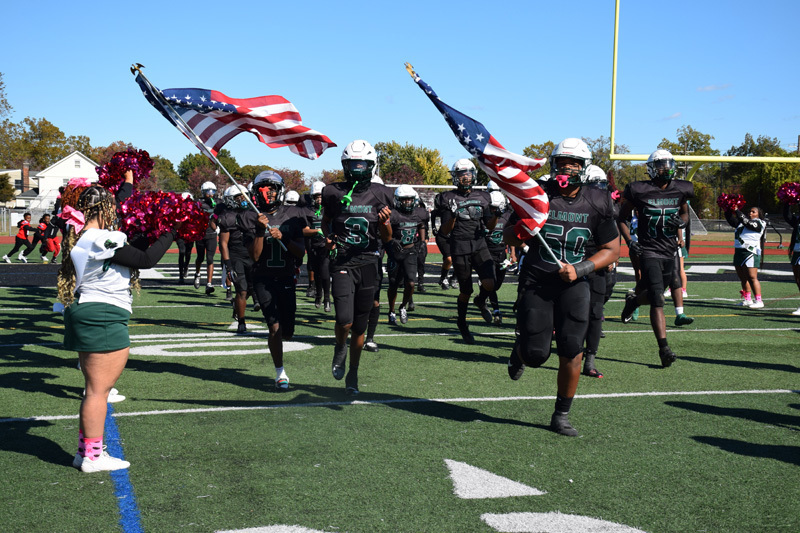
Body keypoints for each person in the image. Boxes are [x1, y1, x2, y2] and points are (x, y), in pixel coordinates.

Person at [57, 185, 179, 472]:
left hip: (88, 309)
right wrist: (172, 231)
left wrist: (155, 228)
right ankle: (93, 456)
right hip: (102, 313)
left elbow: (133, 249)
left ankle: (85, 451)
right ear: (103, 209)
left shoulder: (86, 237)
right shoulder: (100, 238)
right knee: (98, 391)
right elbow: (146, 260)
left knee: (94, 390)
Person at [505, 138, 619, 436]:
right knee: (536, 354)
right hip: (538, 280)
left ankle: (561, 415)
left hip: (576, 283)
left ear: (584, 167)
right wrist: (519, 231)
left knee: (571, 349)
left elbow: (612, 249)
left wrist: (580, 268)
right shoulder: (537, 194)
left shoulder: (598, 200)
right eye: (562, 163)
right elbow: (509, 237)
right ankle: (521, 352)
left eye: (574, 164)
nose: (567, 169)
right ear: (553, 165)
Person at [321, 140, 393, 394]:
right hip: (342, 262)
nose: (358, 169)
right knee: (344, 320)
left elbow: (386, 238)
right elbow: (326, 221)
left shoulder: (383, 193)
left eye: (363, 164)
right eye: (354, 164)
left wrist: (385, 223)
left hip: (369, 262)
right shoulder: (332, 192)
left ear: (371, 166)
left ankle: (353, 372)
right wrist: (328, 238)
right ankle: (339, 347)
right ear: (345, 165)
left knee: (360, 326)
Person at [618, 149, 694, 367]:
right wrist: (630, 240)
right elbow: (621, 218)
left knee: (657, 292)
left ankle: (633, 300)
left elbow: (684, 212)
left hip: (669, 249)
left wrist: (682, 222)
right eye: (661, 164)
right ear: (651, 168)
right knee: (658, 298)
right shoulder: (639, 190)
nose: (666, 168)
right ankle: (664, 348)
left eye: (669, 164)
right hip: (648, 249)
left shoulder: (680, 188)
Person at [247, 171, 307, 390]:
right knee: (274, 327)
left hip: (286, 277)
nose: (268, 194)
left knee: (287, 331)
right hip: (263, 279)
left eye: (271, 189)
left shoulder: (292, 215)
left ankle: (280, 350)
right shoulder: (250, 216)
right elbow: (254, 255)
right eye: (263, 189)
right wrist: (260, 231)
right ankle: (280, 372)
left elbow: (300, 253)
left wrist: (285, 238)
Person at [438, 159, 498, 343]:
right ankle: (462, 323)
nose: (465, 177)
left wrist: (496, 213)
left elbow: (490, 226)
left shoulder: (483, 197)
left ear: (474, 175)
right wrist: (453, 216)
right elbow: (445, 230)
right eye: (461, 174)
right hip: (460, 246)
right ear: (455, 177)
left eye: (468, 173)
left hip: (479, 244)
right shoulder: (447, 197)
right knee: (466, 290)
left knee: (491, 283)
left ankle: (481, 301)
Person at [219, 184, 256, 333]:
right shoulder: (227, 217)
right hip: (236, 255)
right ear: (230, 200)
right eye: (238, 197)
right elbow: (223, 243)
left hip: (252, 253)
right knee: (242, 289)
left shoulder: (253, 213)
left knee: (254, 288)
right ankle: (241, 322)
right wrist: (228, 265)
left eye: (244, 195)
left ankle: (236, 306)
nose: (243, 199)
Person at [386, 185, 425, 325]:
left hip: (410, 251)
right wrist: (392, 240)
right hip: (396, 252)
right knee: (393, 284)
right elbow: (383, 230)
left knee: (411, 282)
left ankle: (403, 306)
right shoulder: (393, 214)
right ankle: (391, 311)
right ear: (398, 200)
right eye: (404, 200)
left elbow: (421, 225)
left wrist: (422, 241)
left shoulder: (418, 213)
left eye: (409, 200)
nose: (407, 202)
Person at [484, 182, 514, 324]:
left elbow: (511, 234)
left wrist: (512, 252)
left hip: (501, 253)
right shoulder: (483, 216)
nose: (493, 210)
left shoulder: (508, 216)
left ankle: (482, 296)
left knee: (497, 285)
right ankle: (497, 311)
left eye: (496, 207)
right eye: (491, 207)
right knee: (491, 282)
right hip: (486, 253)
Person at [726, 205, 767, 309]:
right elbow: (731, 220)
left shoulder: (760, 223)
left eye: (753, 212)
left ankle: (759, 300)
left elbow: (747, 223)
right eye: (749, 211)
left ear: (759, 214)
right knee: (743, 277)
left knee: (752, 277)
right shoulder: (741, 222)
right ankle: (747, 299)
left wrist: (737, 210)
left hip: (750, 252)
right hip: (739, 251)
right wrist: (727, 209)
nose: (750, 213)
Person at [303, 181, 331, 311]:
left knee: (325, 273)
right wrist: (316, 231)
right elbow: (304, 230)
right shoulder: (307, 211)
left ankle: (327, 299)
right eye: (317, 197)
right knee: (318, 273)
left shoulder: (329, 210)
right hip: (313, 246)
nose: (319, 200)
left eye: (321, 197)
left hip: (325, 247)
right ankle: (318, 295)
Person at [193, 181, 220, 295]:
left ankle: (209, 283)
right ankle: (197, 274)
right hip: (200, 234)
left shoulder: (218, 203)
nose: (210, 194)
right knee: (200, 257)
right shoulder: (199, 203)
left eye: (212, 191)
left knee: (210, 258)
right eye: (208, 191)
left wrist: (218, 226)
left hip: (212, 234)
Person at [783, 202, 800, 315]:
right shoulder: (798, 219)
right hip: (797, 250)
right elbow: (787, 216)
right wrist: (787, 202)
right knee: (798, 279)